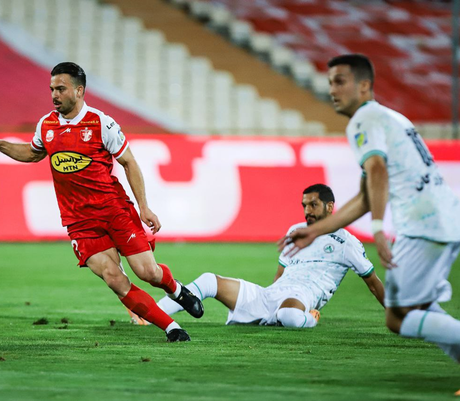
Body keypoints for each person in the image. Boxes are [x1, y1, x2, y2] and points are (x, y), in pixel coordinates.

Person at [0, 62, 203, 342]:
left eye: (61, 89)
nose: (54, 95)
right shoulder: (47, 125)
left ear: (79, 90)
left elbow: (129, 162)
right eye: (52, 89)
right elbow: (33, 153)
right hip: (79, 222)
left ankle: (177, 290)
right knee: (114, 278)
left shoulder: (101, 123)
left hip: (114, 211)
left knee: (148, 272)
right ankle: (172, 328)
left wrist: (144, 207)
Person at [280, 54, 460, 362]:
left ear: (364, 86)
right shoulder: (391, 118)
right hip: (444, 217)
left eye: (340, 82)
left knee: (398, 317)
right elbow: (365, 197)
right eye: (330, 83)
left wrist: (377, 229)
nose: (332, 90)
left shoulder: (363, 121)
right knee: (422, 308)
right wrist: (315, 231)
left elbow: (377, 170)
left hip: (423, 224)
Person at [153, 184, 384, 328]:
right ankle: (152, 314)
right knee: (209, 280)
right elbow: (280, 274)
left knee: (290, 315)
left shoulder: (346, 242)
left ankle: (310, 318)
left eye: (313, 205)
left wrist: (396, 316)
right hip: (269, 296)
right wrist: (269, 298)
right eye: (304, 205)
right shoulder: (296, 231)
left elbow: (373, 282)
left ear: (330, 206)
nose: (307, 211)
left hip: (300, 298)